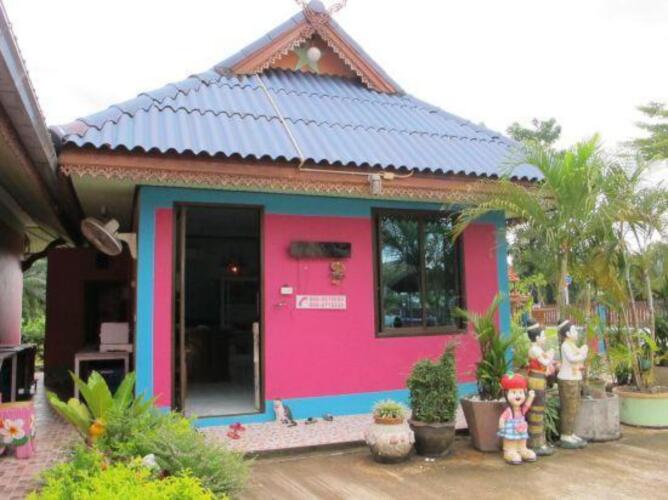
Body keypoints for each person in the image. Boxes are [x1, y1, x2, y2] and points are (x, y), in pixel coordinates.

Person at [557, 319, 588, 448]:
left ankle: (570, 432)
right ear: (567, 334)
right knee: (568, 408)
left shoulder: (572, 345)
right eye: (574, 331)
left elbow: (577, 357)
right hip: (567, 380)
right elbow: (572, 359)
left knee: (574, 407)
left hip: (574, 378)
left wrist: (582, 350)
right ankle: (565, 435)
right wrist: (583, 354)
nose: (576, 333)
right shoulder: (565, 345)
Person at [526, 320, 556, 456]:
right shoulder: (534, 349)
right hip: (536, 381)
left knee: (539, 409)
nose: (545, 339)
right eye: (543, 336)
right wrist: (551, 355)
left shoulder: (538, 349)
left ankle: (540, 442)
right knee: (536, 410)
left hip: (539, 379)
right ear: (537, 337)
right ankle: (536, 443)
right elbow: (544, 362)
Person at [498, 372, 537, 465]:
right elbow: (502, 418)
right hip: (510, 432)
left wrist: (531, 397)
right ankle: (509, 452)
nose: (518, 396)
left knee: (522, 440)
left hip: (521, 431)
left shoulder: (521, 410)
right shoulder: (508, 411)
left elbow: (527, 406)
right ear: (506, 394)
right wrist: (501, 425)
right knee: (510, 441)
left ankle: (522, 450)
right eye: (514, 392)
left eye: (520, 392)